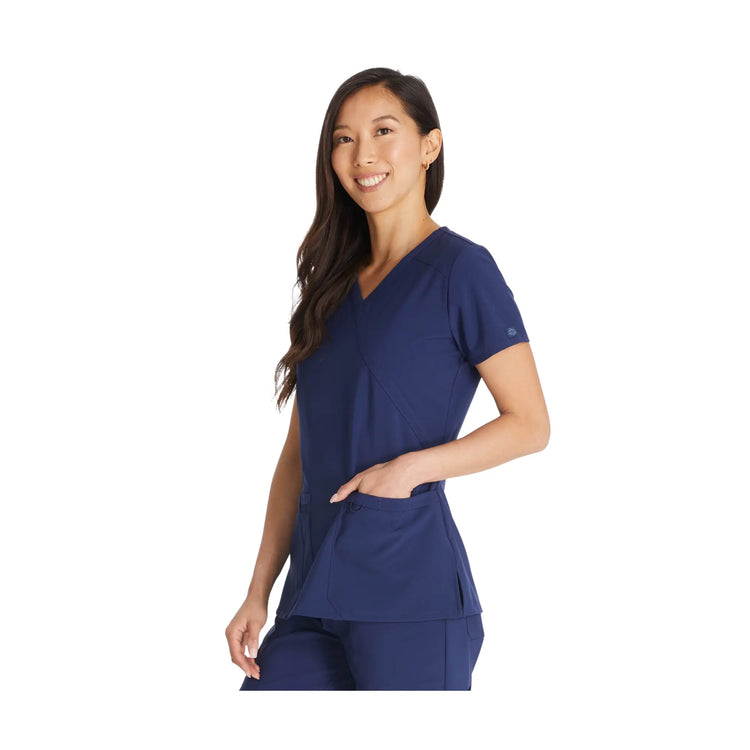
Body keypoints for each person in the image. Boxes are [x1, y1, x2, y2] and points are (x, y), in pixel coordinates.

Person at [225, 67, 550, 690]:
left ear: (429, 146)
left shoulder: (463, 270)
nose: (362, 155)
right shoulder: (328, 287)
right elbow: (297, 456)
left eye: (383, 131)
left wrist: (410, 471)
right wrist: (258, 590)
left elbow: (530, 425)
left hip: (410, 593)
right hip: (312, 591)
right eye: (344, 139)